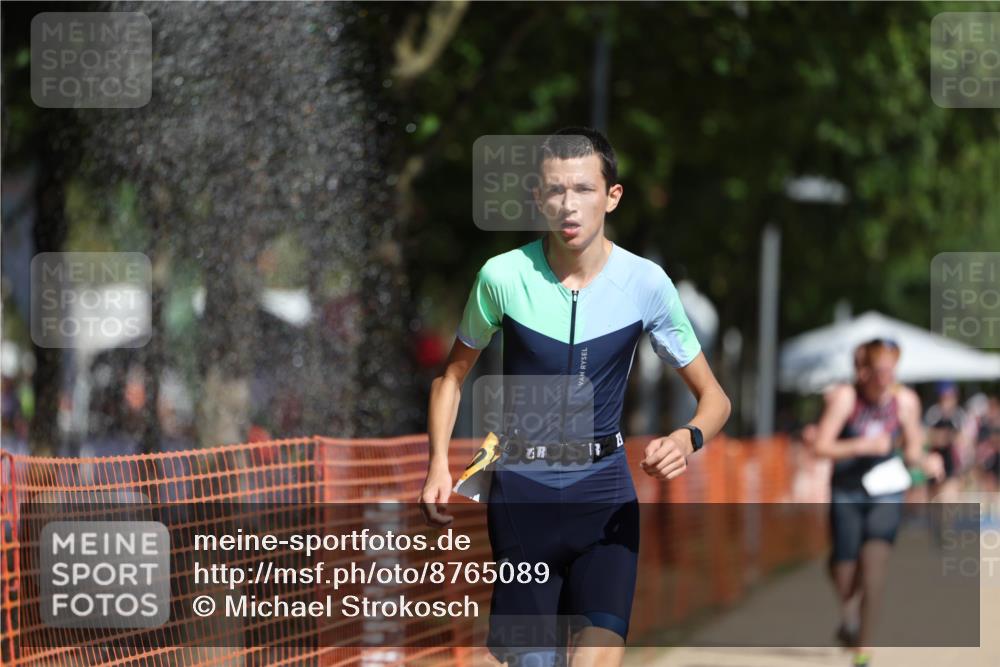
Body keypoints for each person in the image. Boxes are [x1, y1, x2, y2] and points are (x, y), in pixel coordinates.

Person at [418, 127, 731, 667]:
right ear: (538, 198)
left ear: (612, 196)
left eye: (584, 189)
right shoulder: (502, 276)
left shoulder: (646, 284)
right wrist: (436, 467)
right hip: (523, 493)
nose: (569, 205)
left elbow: (715, 399)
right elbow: (450, 377)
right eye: (555, 191)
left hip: (605, 496)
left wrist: (687, 436)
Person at [810, 338, 943, 667]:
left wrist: (925, 462)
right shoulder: (845, 398)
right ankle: (848, 614)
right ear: (865, 371)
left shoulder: (905, 401)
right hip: (847, 491)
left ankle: (862, 649)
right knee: (844, 569)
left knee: (874, 572)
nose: (886, 377)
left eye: (891, 369)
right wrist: (861, 446)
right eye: (880, 370)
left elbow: (912, 448)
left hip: (887, 491)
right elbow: (821, 447)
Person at [923, 381, 969, 501]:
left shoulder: (959, 414)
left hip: (952, 464)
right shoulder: (934, 413)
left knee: (948, 500)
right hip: (935, 462)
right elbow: (928, 437)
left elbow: (963, 439)